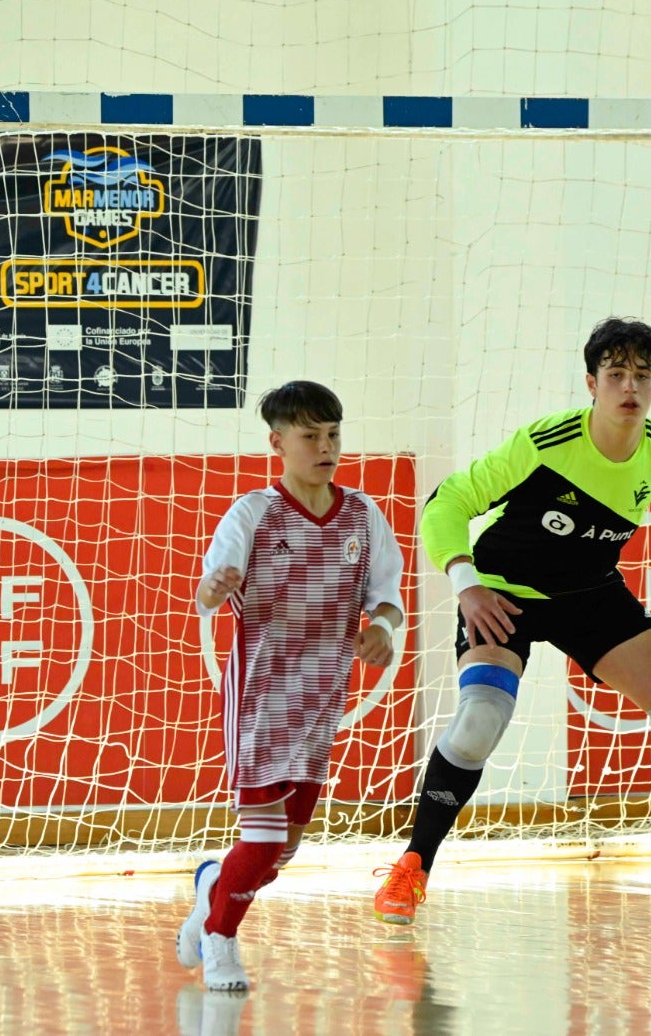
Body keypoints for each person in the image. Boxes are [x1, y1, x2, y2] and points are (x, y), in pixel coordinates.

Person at [372, 317, 651, 925]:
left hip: (589, 593)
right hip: (503, 593)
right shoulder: (547, 442)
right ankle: (413, 865)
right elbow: (448, 501)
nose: (629, 386)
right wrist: (467, 584)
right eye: (616, 374)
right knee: (479, 721)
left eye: (642, 375)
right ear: (591, 383)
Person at [177, 380, 406, 991]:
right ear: (278, 443)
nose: (326, 447)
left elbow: (388, 598)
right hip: (260, 698)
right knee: (262, 837)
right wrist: (214, 588)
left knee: (282, 850)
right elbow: (207, 590)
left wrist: (382, 629)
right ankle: (220, 940)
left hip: (321, 699)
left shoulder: (363, 515)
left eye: (333, 434)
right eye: (311, 436)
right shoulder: (253, 512)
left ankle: (212, 887)